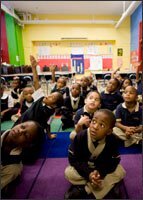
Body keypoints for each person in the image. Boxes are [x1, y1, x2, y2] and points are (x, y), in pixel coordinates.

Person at [64, 109, 126, 199]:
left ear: (109, 131)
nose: (95, 126)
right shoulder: (80, 136)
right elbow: (74, 160)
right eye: (93, 121)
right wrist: (89, 174)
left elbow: (114, 161)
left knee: (120, 172)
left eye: (102, 125)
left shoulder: (113, 140)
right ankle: (108, 186)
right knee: (69, 173)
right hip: (85, 168)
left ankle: (85, 189)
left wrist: (100, 173)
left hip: (101, 170)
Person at [13, 56, 64, 139]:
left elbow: (47, 124)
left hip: (33, 129)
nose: (48, 96)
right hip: (22, 122)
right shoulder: (40, 97)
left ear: (54, 105)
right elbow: (36, 81)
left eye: (52, 98)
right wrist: (33, 67)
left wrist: (49, 135)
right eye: (50, 95)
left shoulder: (50, 112)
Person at [1, 120, 43, 191]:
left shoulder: (14, 164)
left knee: (14, 170)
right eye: (22, 126)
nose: (20, 131)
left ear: (28, 144)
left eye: (26, 135)